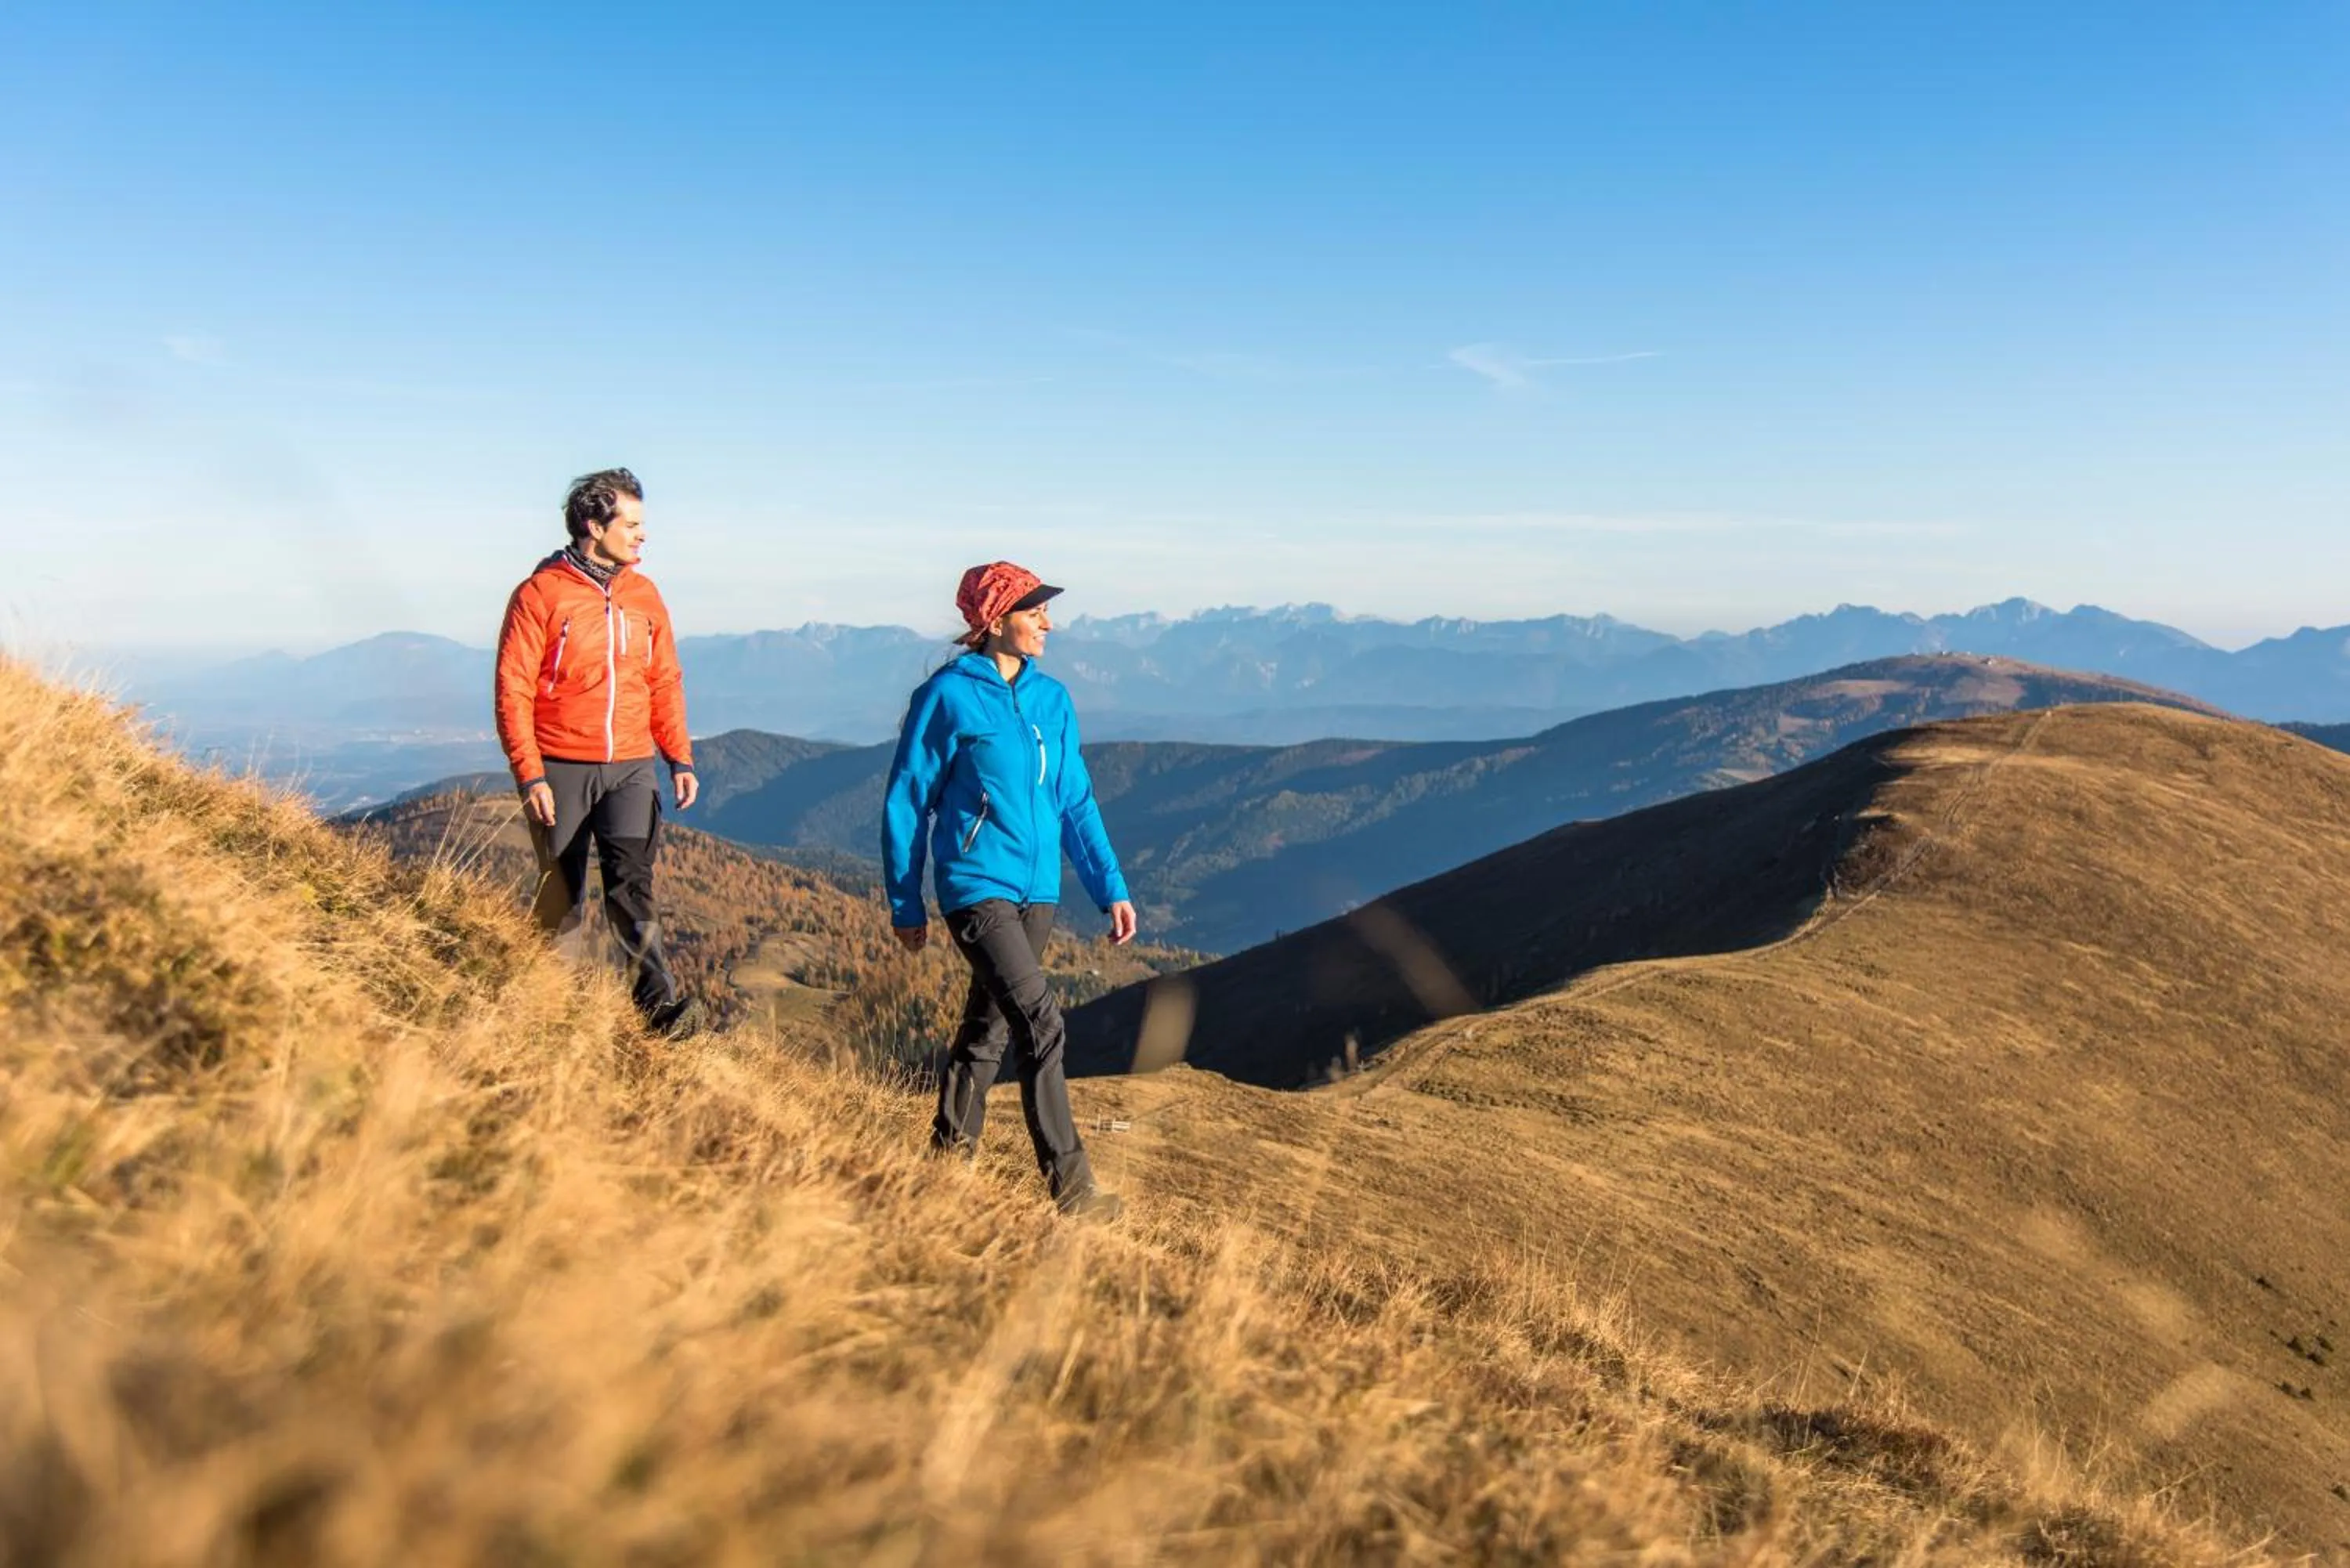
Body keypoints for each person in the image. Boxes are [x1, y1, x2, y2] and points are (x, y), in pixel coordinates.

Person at [882, 561, 1137, 1216]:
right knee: (1042, 1025)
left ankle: (942, 1171)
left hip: (1038, 893)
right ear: (996, 621)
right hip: (975, 886)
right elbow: (909, 800)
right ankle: (1073, 1191)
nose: (1048, 622)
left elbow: (1074, 799)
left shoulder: (1053, 699)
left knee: (986, 1034)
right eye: (1034, 611)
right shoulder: (947, 696)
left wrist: (1111, 885)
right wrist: (905, 902)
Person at [494, 467, 700, 1035]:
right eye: (630, 524)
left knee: (632, 882)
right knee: (562, 893)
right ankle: (544, 1007)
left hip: (631, 766)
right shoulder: (541, 595)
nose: (641, 536)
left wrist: (678, 756)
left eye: (641, 525)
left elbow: (664, 680)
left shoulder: (645, 595)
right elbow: (512, 687)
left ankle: (658, 1006)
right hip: (560, 764)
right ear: (593, 524)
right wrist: (530, 773)